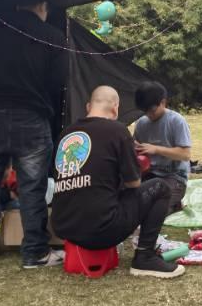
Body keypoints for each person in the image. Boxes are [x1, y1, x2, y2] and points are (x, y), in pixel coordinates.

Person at [0, 0, 68, 268]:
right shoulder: (53, 36)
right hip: (32, 119)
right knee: (32, 188)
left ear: (17, 5)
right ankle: (34, 253)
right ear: (43, 6)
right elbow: (58, 82)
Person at [50, 86, 185, 278]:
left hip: (64, 228)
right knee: (160, 187)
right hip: (102, 230)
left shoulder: (66, 134)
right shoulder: (117, 130)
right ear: (115, 108)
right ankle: (145, 257)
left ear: (88, 106)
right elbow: (133, 183)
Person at [133, 81, 192, 215]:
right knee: (131, 201)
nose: (149, 115)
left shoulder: (176, 121)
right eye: (145, 111)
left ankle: (173, 204)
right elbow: (137, 151)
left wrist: (156, 149)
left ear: (163, 102)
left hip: (174, 177)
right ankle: (173, 204)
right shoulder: (141, 123)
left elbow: (185, 154)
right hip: (148, 175)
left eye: (152, 110)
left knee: (153, 208)